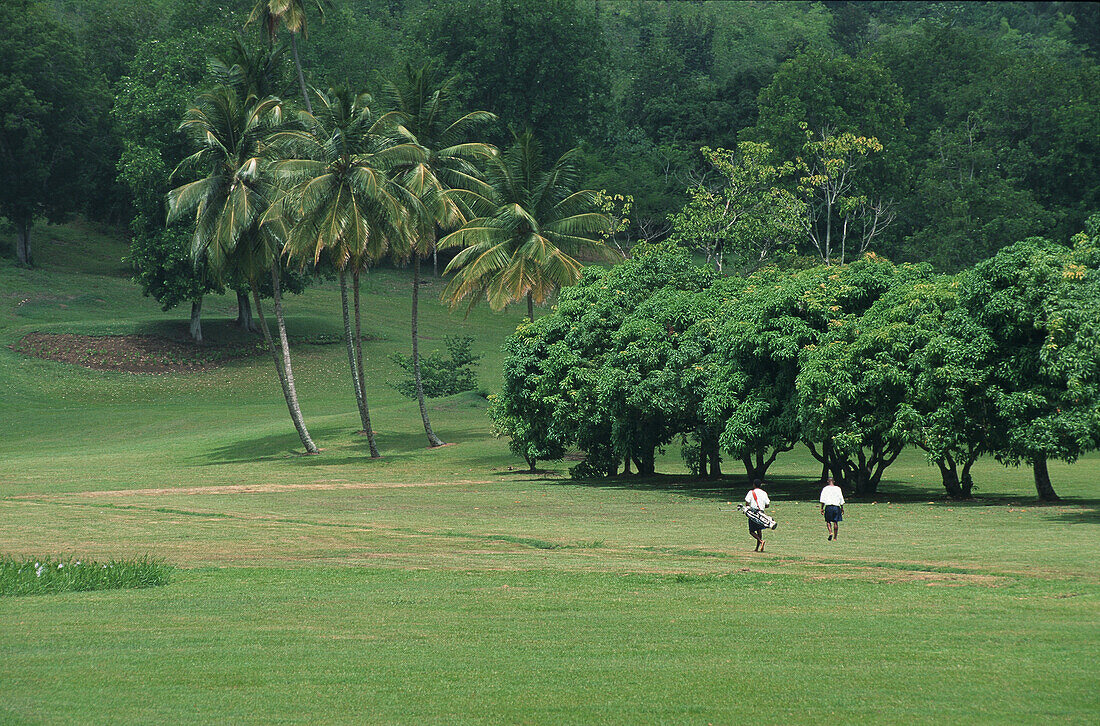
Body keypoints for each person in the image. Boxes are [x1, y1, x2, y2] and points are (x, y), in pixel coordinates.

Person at [744, 479, 771, 552]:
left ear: (754, 485)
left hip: (753, 513)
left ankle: (761, 541)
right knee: (759, 530)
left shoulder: (751, 492)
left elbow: (747, 502)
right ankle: (757, 548)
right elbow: (767, 504)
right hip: (761, 513)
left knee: (751, 531)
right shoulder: (764, 493)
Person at [819, 476, 845, 541]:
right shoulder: (838, 489)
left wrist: (822, 508)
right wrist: (842, 507)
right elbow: (841, 498)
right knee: (835, 522)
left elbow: (822, 500)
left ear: (827, 481)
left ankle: (830, 532)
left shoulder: (825, 489)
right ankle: (835, 538)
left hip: (828, 507)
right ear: (834, 481)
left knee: (828, 521)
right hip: (836, 506)